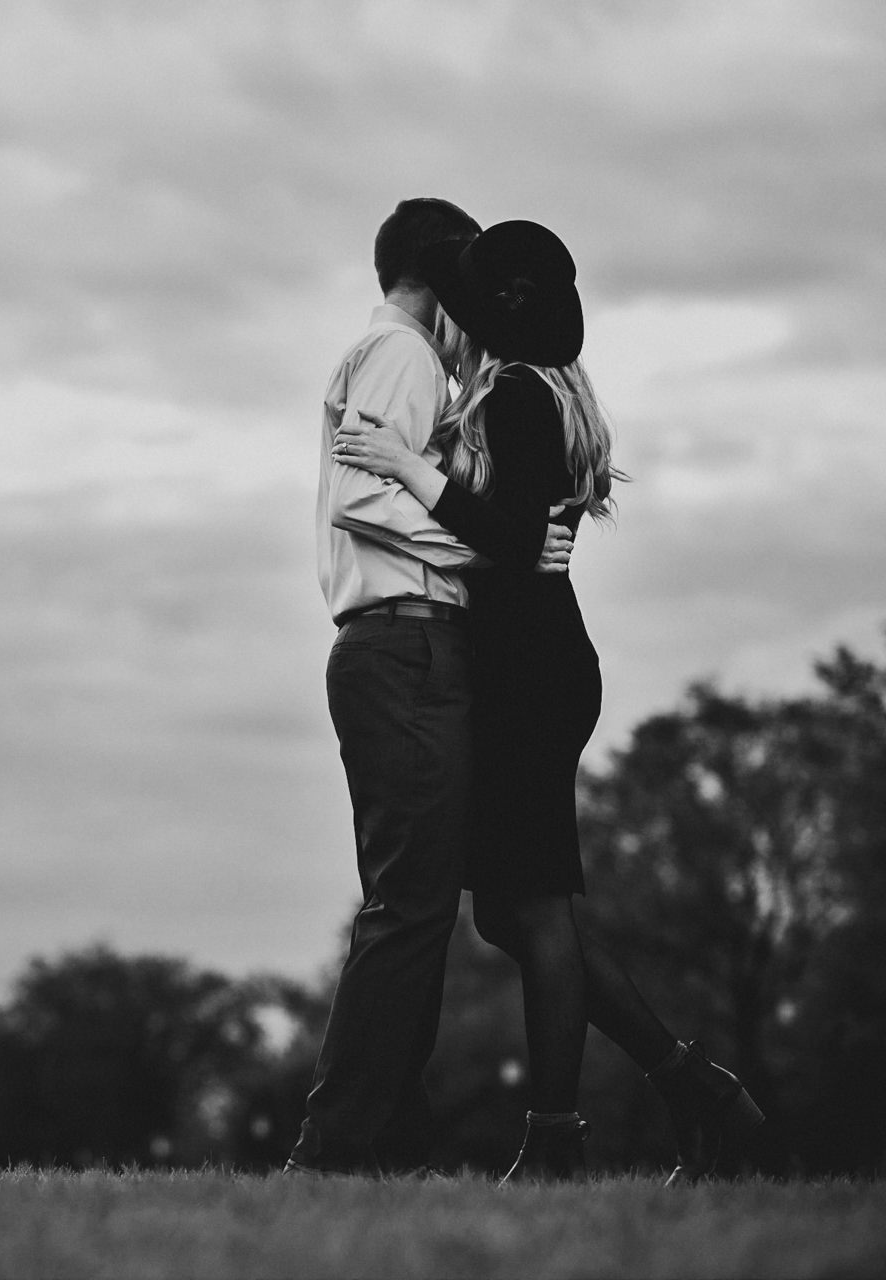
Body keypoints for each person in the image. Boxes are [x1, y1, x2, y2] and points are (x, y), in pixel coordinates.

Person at [329, 219, 767, 1183]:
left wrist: (407, 466)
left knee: (533, 910)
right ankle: (693, 1088)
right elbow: (524, 533)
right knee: (520, 913)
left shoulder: (515, 396)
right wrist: (503, 528)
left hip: (530, 673)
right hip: (533, 663)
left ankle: (560, 1134)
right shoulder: (535, 391)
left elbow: (514, 529)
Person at [289, 198, 577, 1176]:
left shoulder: (388, 356)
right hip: (406, 642)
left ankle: (384, 1141)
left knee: (411, 907)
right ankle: (338, 1143)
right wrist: (482, 546)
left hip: (396, 648)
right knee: (408, 909)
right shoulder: (406, 354)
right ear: (440, 270)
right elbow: (369, 496)